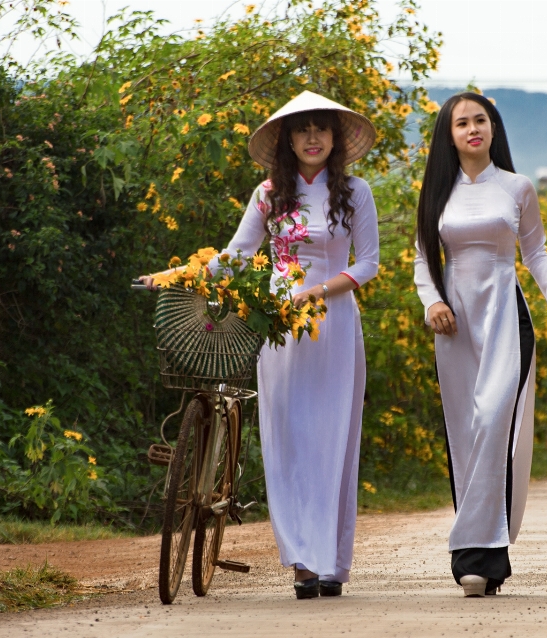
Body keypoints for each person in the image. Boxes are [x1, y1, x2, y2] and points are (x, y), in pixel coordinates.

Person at [140, 91, 379, 599]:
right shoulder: (270, 193)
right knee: (288, 438)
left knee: (333, 439)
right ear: (287, 140)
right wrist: (178, 274)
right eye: (302, 129)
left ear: (335, 138)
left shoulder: (355, 192)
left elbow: (368, 264)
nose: (312, 138)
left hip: (333, 323)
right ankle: (301, 561)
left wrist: (320, 289)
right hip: (280, 327)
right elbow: (236, 255)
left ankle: (332, 561)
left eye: (321, 128)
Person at [414, 92, 547, 598]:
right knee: (465, 431)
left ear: (494, 128)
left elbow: (534, 252)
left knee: (494, 421)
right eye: (462, 123)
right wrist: (432, 303)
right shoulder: (436, 192)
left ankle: (475, 555)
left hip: (505, 318)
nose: (473, 128)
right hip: (454, 325)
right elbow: (423, 260)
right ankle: (486, 558)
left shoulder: (517, 187)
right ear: (448, 136)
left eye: (481, 120)